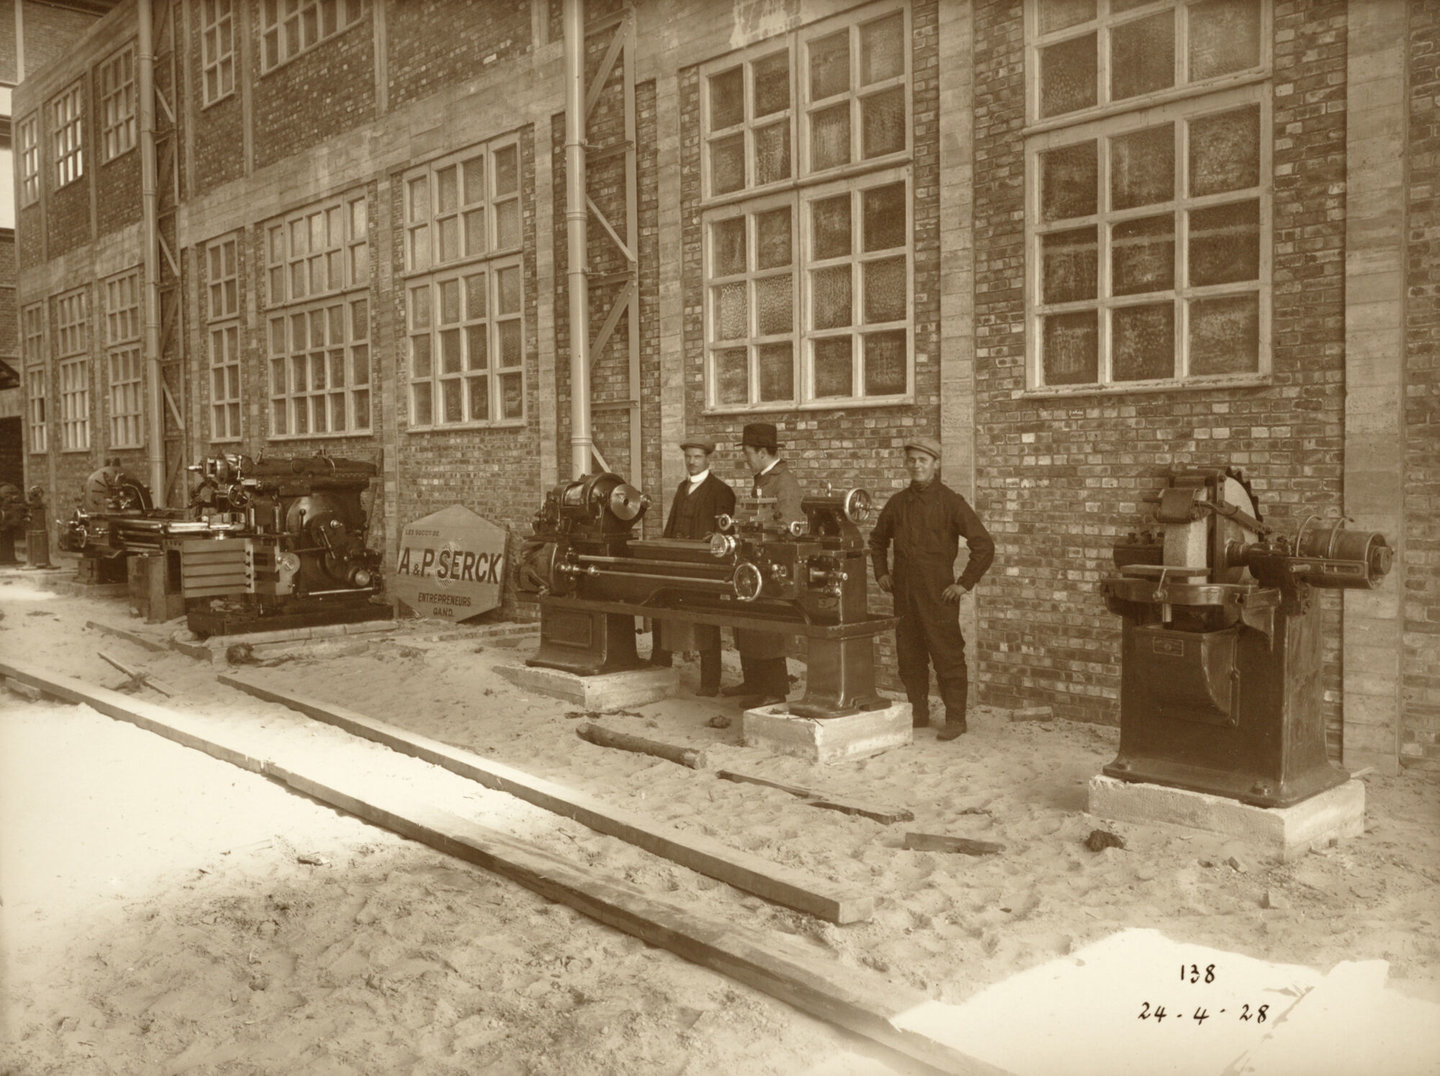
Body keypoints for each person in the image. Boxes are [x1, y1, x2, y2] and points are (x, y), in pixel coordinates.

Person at [868, 436, 994, 741]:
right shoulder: (898, 503)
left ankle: (955, 719)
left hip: (939, 595)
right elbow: (876, 540)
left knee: (947, 655)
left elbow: (984, 546)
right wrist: (882, 572)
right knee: (909, 657)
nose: (916, 465)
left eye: (923, 460)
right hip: (905, 596)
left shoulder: (951, 503)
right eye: (911, 460)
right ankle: (919, 713)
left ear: (935, 465)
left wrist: (963, 583)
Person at [722, 422, 804, 707]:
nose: (745, 458)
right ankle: (753, 681)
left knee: (768, 627)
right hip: (752, 561)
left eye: (747, 452)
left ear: (762, 452)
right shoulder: (763, 479)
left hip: (771, 565)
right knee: (748, 624)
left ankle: (775, 689)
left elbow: (792, 525)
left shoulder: (784, 481)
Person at [649, 437, 736, 696]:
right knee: (660, 607)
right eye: (688, 457)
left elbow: (725, 534)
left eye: (697, 457)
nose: (692, 461)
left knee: (707, 621)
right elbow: (671, 526)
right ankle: (660, 664)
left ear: (708, 459)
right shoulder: (680, 488)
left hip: (704, 568)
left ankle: (710, 683)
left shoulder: (721, 491)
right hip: (678, 565)